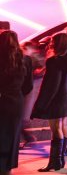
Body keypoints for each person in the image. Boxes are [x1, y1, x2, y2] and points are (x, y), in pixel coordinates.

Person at [31, 33, 67, 172]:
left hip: (56, 100)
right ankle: (60, 160)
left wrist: (40, 106)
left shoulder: (54, 61)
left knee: (56, 128)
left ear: (57, 44)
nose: (50, 44)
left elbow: (51, 85)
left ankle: (54, 162)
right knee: (62, 126)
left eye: (52, 41)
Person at [1, 30, 34, 175]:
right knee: (12, 137)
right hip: (15, 102)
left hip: (2, 100)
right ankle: (7, 169)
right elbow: (28, 86)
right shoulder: (25, 60)